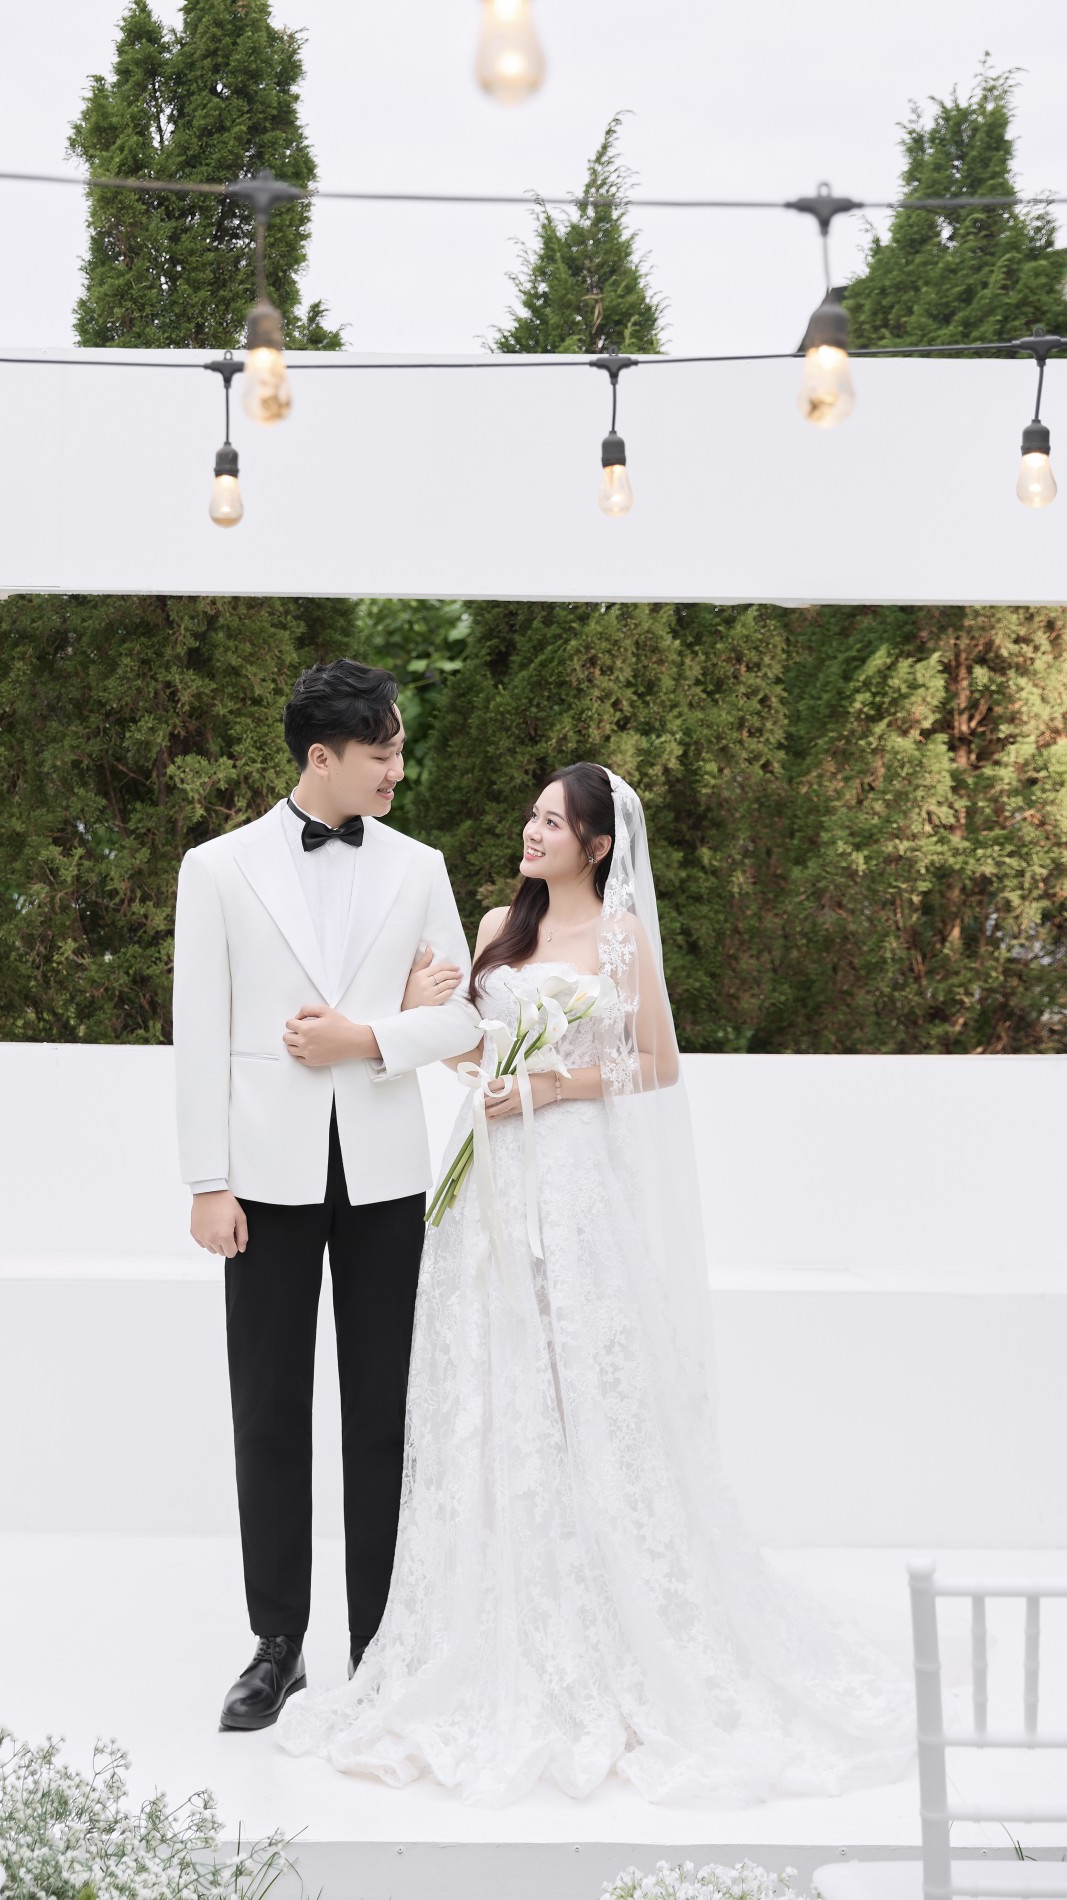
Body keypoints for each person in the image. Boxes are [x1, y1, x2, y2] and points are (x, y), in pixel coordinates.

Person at [277, 760, 920, 1806]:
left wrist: (550, 1084)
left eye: (552, 822)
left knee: (586, 1383)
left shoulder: (619, 938)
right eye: (530, 815)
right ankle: (490, 1609)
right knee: (488, 1385)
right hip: (486, 1178)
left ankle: (614, 1610)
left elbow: (655, 1064)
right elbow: (465, 1055)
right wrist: (435, 1025)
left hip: (572, 1180)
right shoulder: (498, 925)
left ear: (598, 844)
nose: (531, 832)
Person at [171, 658, 481, 1733]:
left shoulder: (419, 867)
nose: (397, 769)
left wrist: (368, 1036)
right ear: (321, 756)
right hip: (262, 1180)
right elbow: (199, 1033)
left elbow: (463, 1018)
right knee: (268, 1410)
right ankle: (278, 1643)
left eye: (397, 751)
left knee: (383, 1412)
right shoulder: (216, 869)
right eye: (381, 753)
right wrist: (206, 1182)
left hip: (387, 1174)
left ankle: (383, 1643)